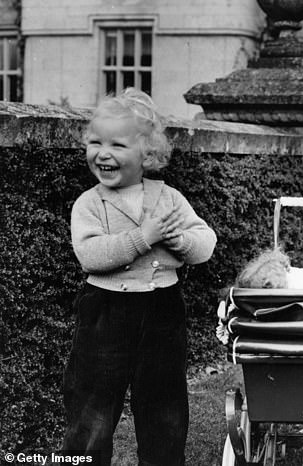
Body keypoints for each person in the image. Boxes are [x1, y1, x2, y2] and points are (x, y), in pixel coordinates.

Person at [61, 88, 217, 466]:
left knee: (163, 404)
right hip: (106, 312)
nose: (103, 152)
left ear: (147, 153)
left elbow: (206, 243)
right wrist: (142, 237)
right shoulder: (90, 203)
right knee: (92, 405)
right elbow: (90, 255)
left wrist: (179, 241)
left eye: (117, 144)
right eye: (95, 142)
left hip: (162, 310)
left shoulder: (170, 199)